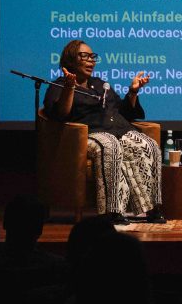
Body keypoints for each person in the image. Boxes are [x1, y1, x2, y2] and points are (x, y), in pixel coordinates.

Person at [43, 39, 166, 224]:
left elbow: (124, 111)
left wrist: (132, 92)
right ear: (70, 59)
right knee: (109, 145)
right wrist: (70, 87)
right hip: (89, 134)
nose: (91, 60)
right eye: (85, 56)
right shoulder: (59, 85)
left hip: (117, 129)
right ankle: (113, 211)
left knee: (149, 145)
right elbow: (61, 114)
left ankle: (151, 208)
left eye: (93, 57)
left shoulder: (100, 84)